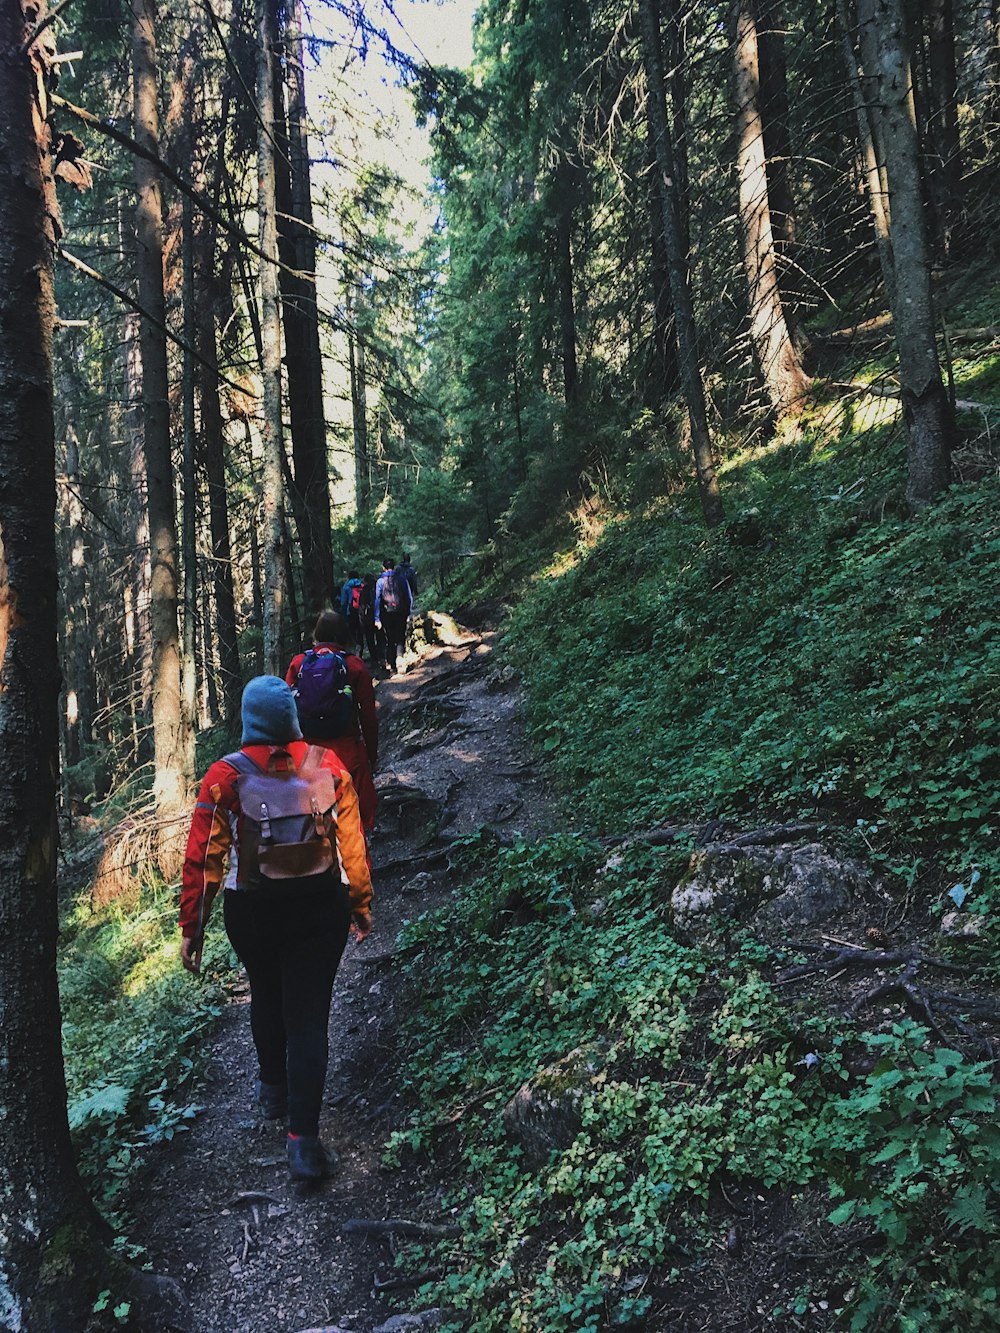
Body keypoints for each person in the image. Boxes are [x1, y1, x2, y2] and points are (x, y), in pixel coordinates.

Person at [179, 676, 372, 1183]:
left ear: (248, 720)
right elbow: (350, 844)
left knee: (265, 989)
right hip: (319, 906)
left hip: (254, 911)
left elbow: (203, 859)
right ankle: (303, 1144)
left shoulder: (224, 776)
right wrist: (360, 904)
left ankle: (272, 1090)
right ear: (291, 716)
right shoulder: (327, 766)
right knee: (307, 1016)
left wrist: (192, 928)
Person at [285, 610, 378, 837]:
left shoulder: (299, 664)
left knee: (317, 821)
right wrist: (371, 755)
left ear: (317, 634)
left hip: (310, 756)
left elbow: (286, 711)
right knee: (353, 820)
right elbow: (368, 715)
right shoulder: (354, 666)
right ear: (344, 634)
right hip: (348, 755)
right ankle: (355, 863)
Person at [375, 558, 411, 674]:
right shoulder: (401, 579)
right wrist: (408, 611)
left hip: (386, 613)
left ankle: (393, 667)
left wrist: (377, 618)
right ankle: (400, 659)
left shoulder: (380, 581)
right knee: (400, 636)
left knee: (390, 639)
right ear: (394, 567)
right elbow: (408, 596)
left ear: (383, 567)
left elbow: (377, 600)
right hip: (401, 612)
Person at [339, 571, 364, 653]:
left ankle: (353, 652)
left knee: (352, 633)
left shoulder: (347, 587)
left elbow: (343, 602)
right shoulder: (362, 586)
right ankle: (360, 651)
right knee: (360, 633)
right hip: (362, 612)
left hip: (350, 612)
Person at [357, 572, 379, 665]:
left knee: (370, 639)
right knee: (380, 637)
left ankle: (374, 658)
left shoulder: (364, 591)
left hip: (368, 618)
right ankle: (381, 656)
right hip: (379, 616)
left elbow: (362, 606)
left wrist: (361, 620)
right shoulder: (376, 588)